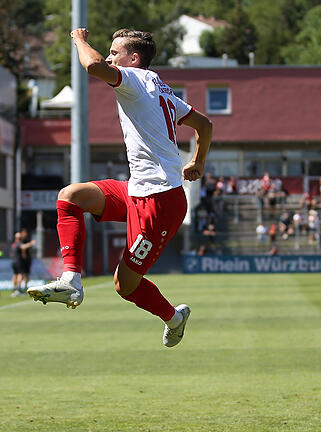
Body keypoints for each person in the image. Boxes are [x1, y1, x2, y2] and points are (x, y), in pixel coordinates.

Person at [27, 28, 212, 349]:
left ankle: (174, 318)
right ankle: (71, 280)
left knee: (124, 285)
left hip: (160, 203)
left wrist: (79, 39)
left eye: (116, 52)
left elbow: (93, 67)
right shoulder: (162, 89)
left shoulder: (137, 80)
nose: (111, 57)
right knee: (70, 197)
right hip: (138, 189)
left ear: (133, 59)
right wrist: (198, 161)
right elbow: (205, 125)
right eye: (110, 52)